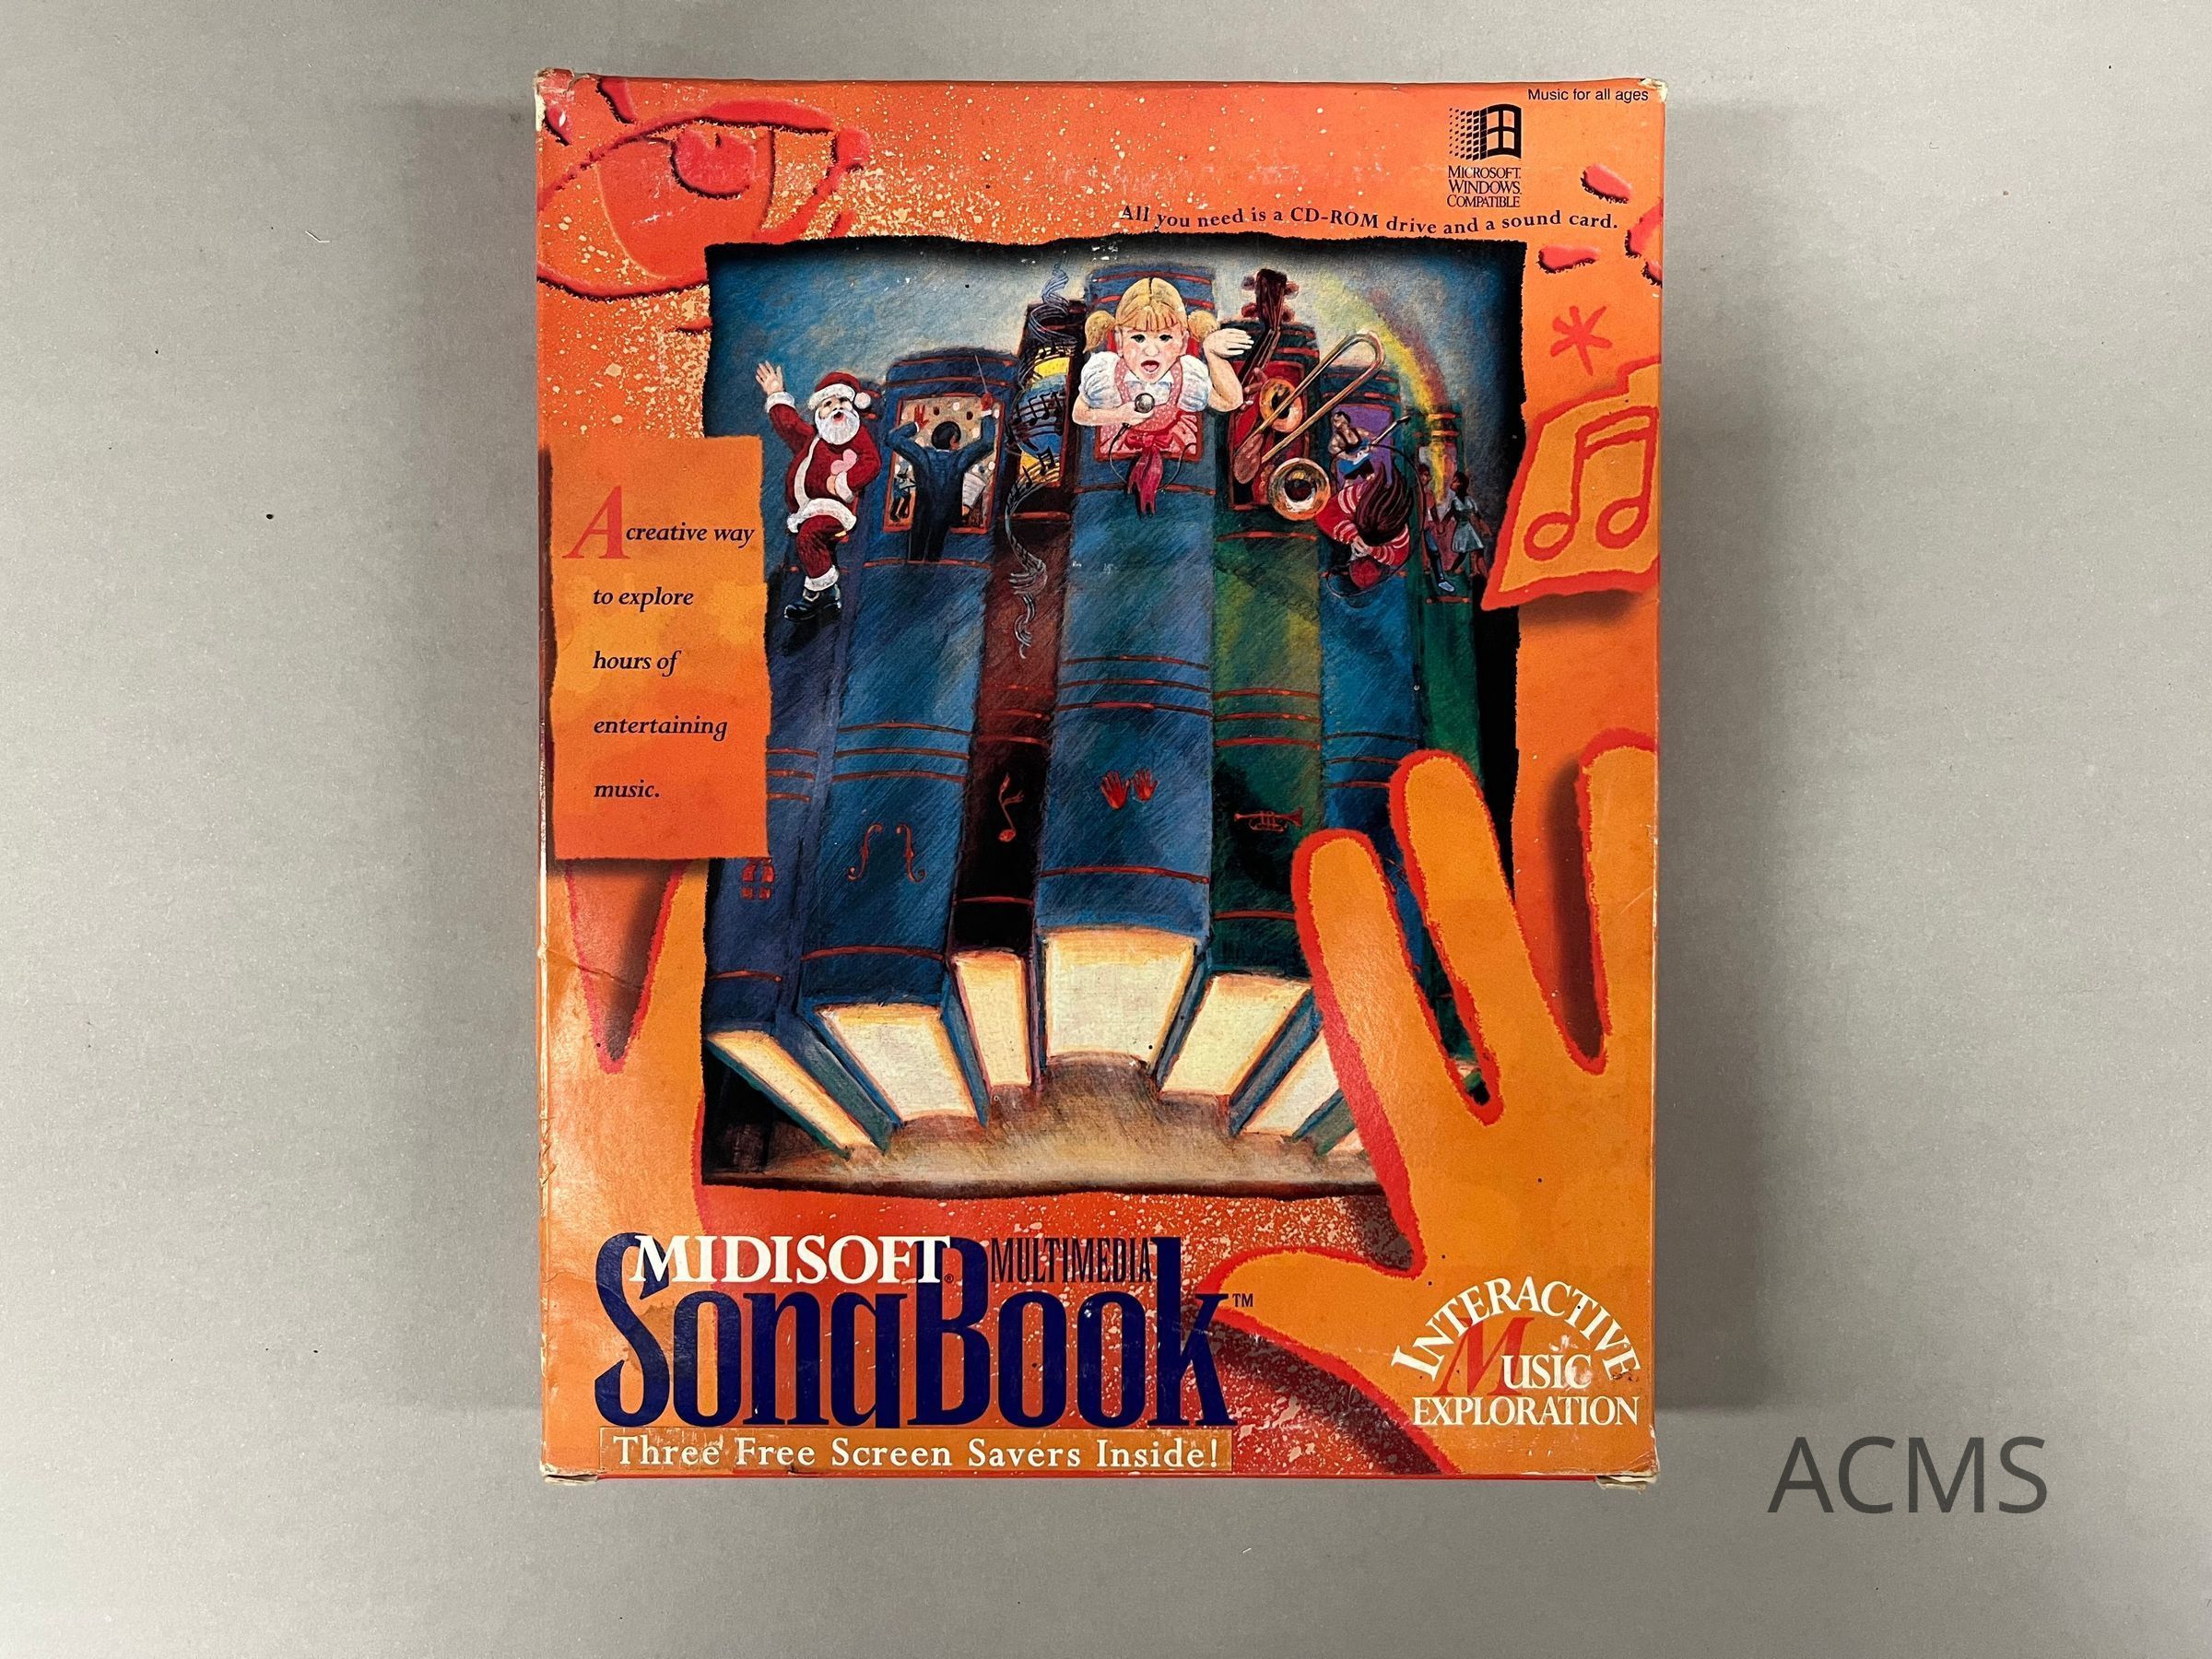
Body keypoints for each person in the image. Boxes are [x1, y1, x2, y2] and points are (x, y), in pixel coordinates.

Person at [1071, 276, 1246, 512]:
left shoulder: (1189, 377)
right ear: (1119, 340)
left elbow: (1231, 401)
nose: (1151, 350)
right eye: (1138, 338)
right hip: (1112, 475)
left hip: (1177, 477)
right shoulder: (1105, 374)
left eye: (1165, 338)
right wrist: (1118, 414)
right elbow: (1079, 414)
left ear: (1183, 342)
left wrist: (1212, 353)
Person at [756, 363, 881, 621]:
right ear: (819, 411)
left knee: (810, 534)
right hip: (809, 508)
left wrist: (844, 481)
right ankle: (818, 592)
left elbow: (872, 462)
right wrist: (776, 393)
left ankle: (823, 593)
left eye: (842, 401)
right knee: (805, 535)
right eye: (828, 403)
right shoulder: (814, 438)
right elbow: (789, 425)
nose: (836, 408)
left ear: (852, 406)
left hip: (836, 508)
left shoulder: (856, 435)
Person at [888, 412, 999, 562]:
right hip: (947, 517)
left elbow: (892, 439)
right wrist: (987, 414)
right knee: (935, 554)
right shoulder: (958, 459)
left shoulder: (923, 456)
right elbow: (986, 443)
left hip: (923, 514)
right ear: (953, 441)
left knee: (915, 554)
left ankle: (914, 566)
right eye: (957, 441)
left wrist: (915, 426)